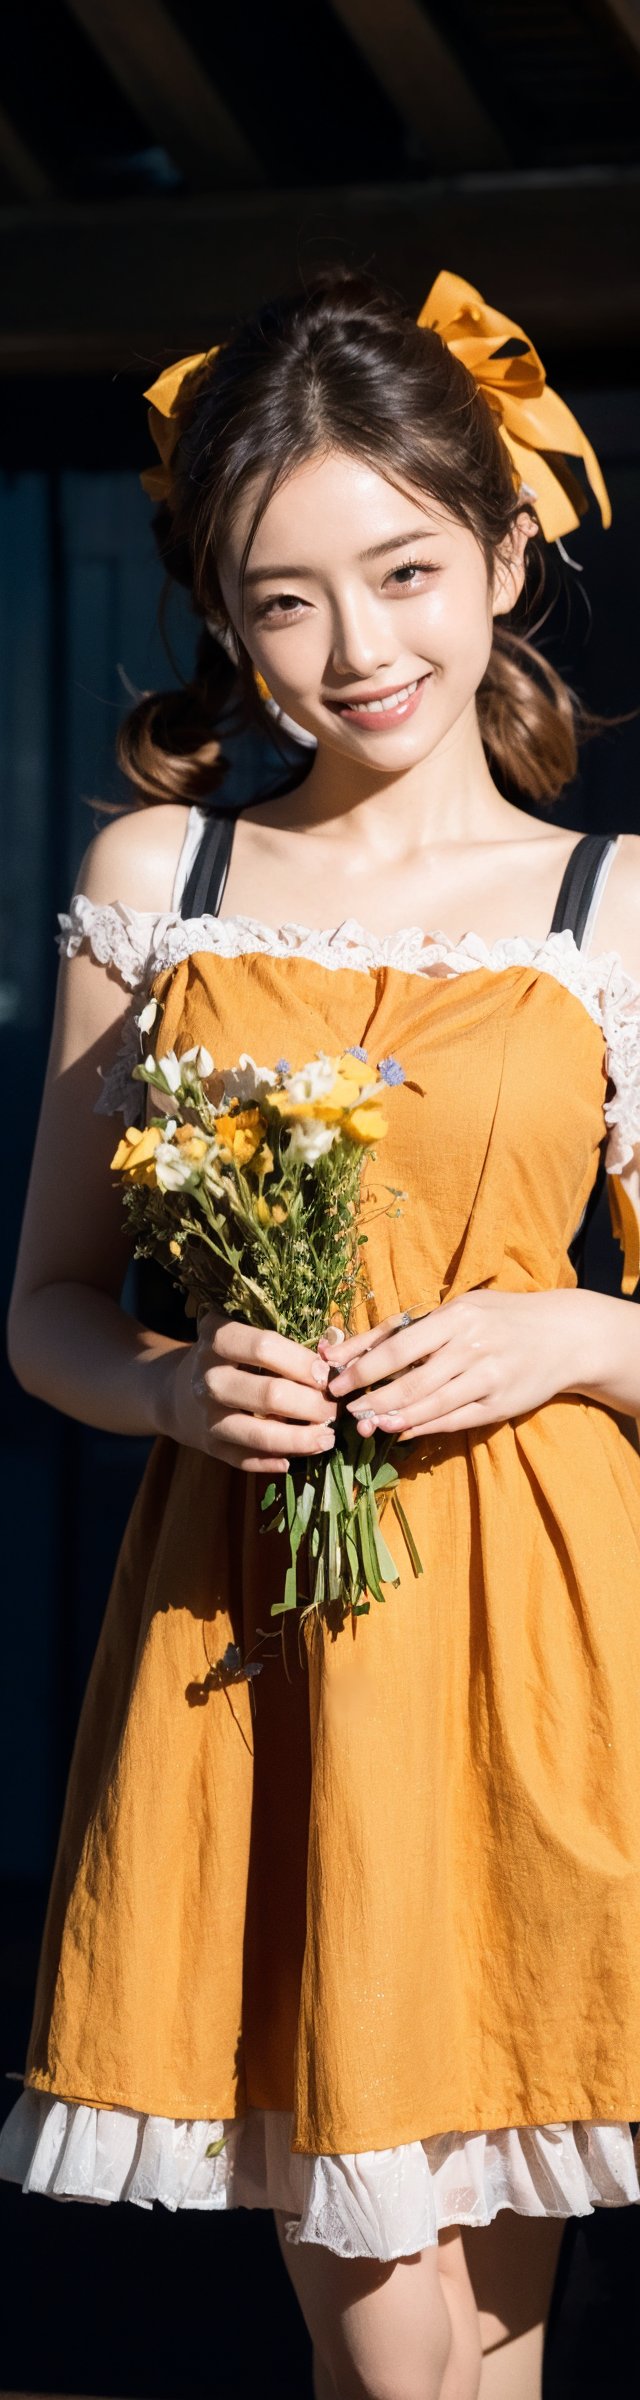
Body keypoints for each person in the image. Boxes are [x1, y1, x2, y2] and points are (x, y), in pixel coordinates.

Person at [1, 263, 640, 2400]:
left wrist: (562, 1332)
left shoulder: (605, 907)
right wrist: (177, 1383)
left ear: (505, 552)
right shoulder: (159, 883)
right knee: (396, 2357)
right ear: (221, 611)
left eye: (400, 571)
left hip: (552, 1654)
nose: (357, 651)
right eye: (283, 600)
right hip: (261, 1645)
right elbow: (51, 1319)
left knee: (482, 2356)